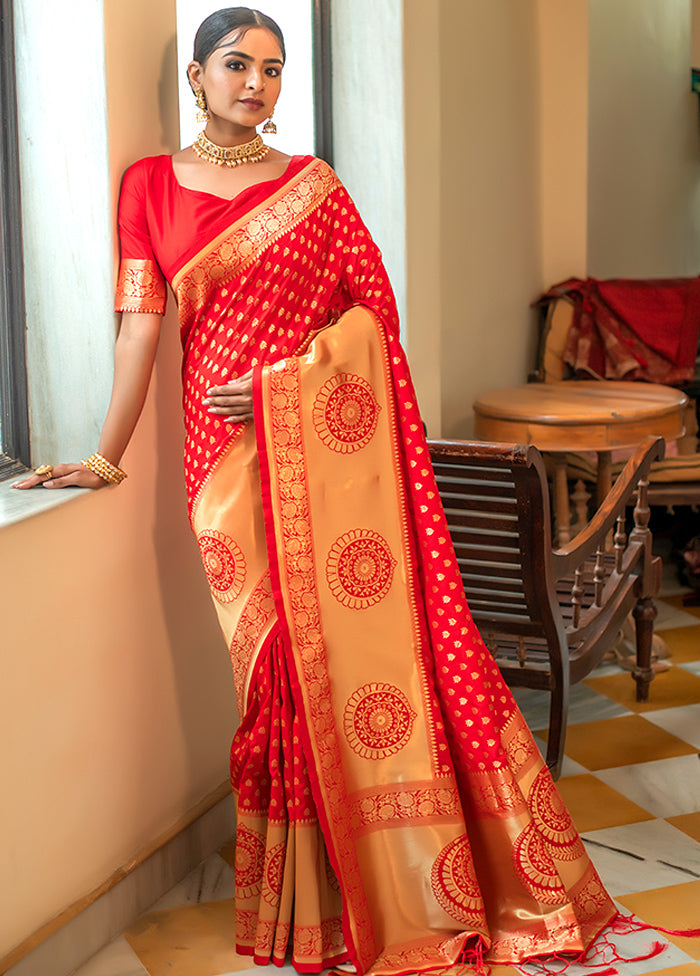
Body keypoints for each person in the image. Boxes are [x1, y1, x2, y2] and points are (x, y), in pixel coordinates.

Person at [14, 8, 632, 975]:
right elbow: (139, 331)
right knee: (273, 674)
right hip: (221, 475)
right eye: (236, 65)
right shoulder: (147, 187)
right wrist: (104, 455)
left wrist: (284, 390)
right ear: (195, 74)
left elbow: (376, 331)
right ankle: (307, 892)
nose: (255, 83)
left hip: (322, 462)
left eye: (272, 68)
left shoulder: (316, 190)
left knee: (341, 665)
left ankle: (383, 886)